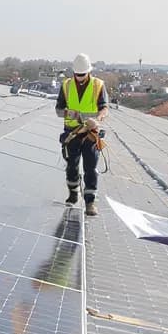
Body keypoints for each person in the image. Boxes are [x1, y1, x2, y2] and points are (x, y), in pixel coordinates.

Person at [56, 53, 107, 216]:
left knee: (90, 167)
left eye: (82, 74)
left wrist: (97, 119)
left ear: (88, 72)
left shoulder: (98, 85)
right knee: (72, 165)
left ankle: (90, 202)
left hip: (90, 133)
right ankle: (72, 193)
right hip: (72, 132)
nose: (79, 78)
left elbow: (104, 108)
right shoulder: (66, 85)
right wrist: (70, 114)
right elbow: (58, 109)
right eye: (77, 75)